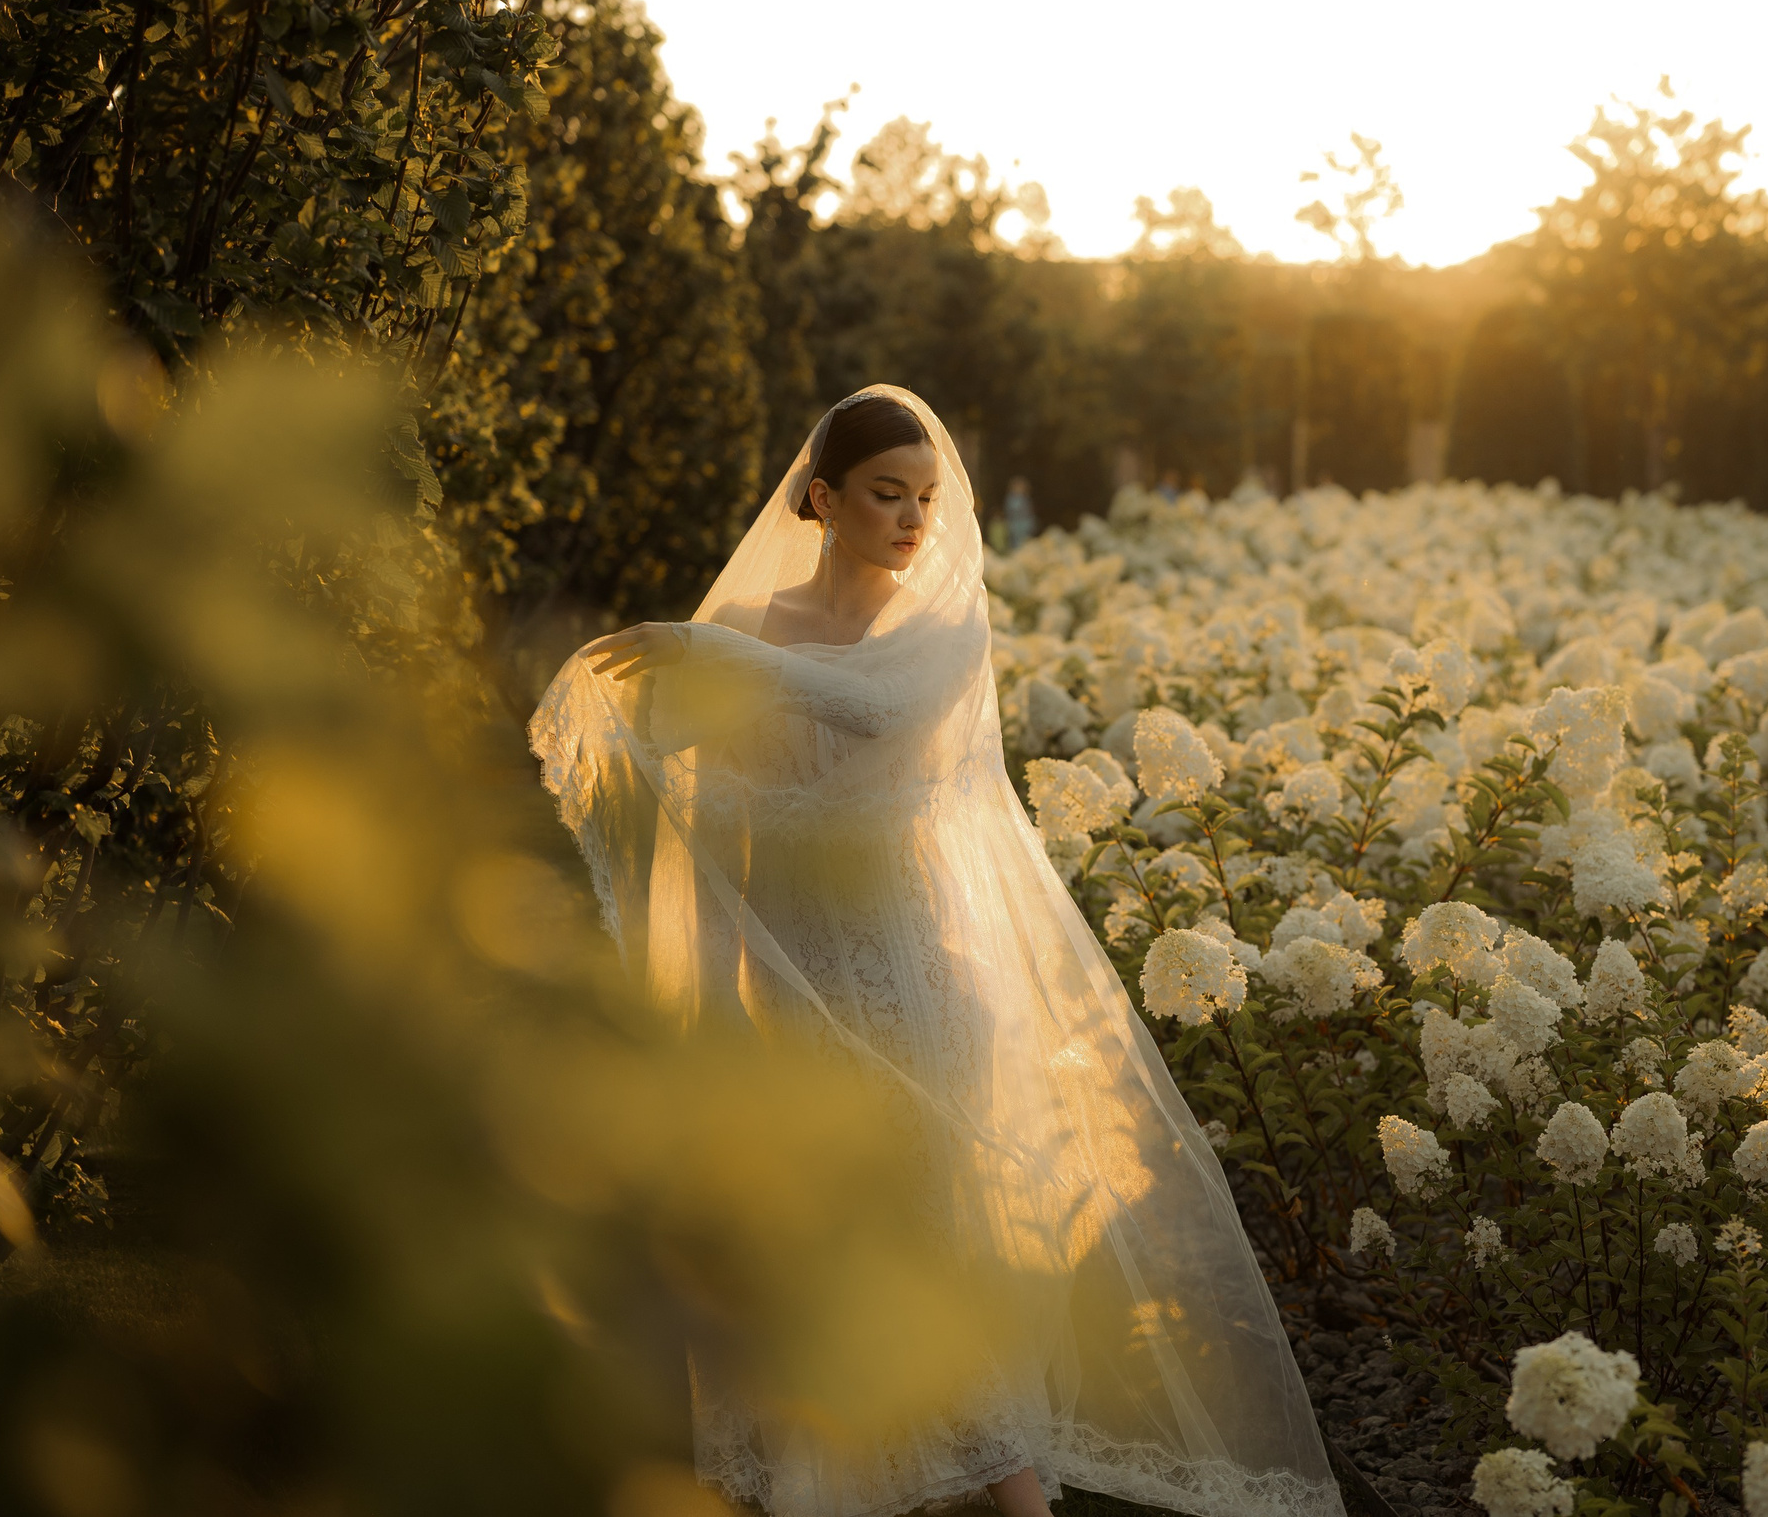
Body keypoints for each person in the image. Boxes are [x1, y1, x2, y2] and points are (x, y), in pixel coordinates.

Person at [530, 390, 1343, 1517]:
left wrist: (699, 647)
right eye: (884, 494)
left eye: (925, 497)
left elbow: (871, 706)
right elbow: (703, 797)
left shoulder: (940, 627)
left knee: (939, 1252)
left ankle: (1020, 1502)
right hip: (786, 985)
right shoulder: (752, 625)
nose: (914, 518)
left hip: (917, 980)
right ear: (821, 499)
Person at [1002, 474, 1037, 550]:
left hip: (1025, 524)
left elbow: (1029, 512)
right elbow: (1010, 511)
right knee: (1016, 543)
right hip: (1015, 525)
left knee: (1025, 542)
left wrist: (1031, 522)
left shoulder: (1025, 499)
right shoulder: (1011, 499)